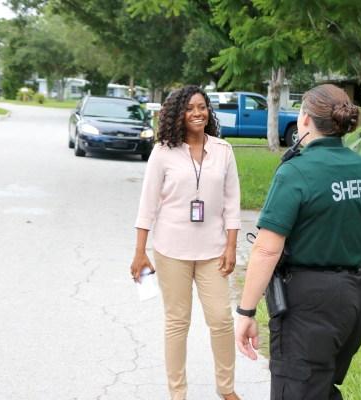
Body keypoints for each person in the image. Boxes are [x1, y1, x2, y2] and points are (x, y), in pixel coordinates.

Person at [235, 84, 361, 400]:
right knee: (324, 388)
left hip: (310, 304)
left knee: (298, 390)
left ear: (305, 119)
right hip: (356, 298)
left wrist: (246, 312)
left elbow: (267, 248)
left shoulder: (296, 172)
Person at [130, 85, 242, 400]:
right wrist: (140, 252)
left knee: (221, 320)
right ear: (178, 113)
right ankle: (177, 393)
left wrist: (231, 246)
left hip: (213, 251)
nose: (197, 113)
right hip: (171, 250)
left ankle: (226, 389)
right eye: (190, 108)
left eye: (202, 107)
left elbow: (232, 202)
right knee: (177, 322)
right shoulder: (163, 152)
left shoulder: (223, 150)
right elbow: (147, 205)